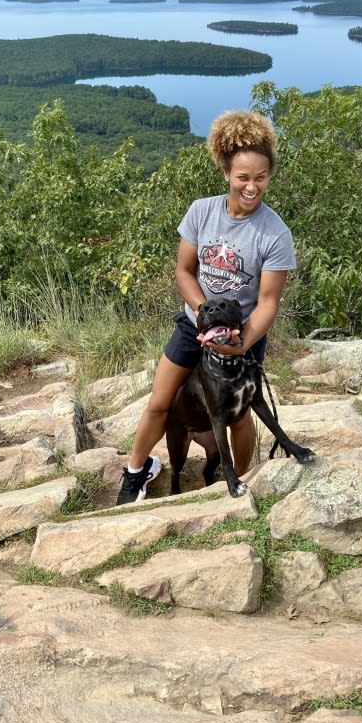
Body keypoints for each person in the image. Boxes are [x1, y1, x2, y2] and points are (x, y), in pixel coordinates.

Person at [116, 109, 297, 505]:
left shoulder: (275, 234)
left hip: (242, 333)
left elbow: (268, 302)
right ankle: (136, 472)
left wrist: (242, 341)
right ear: (227, 174)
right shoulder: (202, 211)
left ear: (270, 176)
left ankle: (245, 479)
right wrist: (204, 318)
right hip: (193, 323)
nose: (252, 186)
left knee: (240, 413)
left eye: (261, 177)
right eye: (243, 177)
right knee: (160, 401)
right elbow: (183, 271)